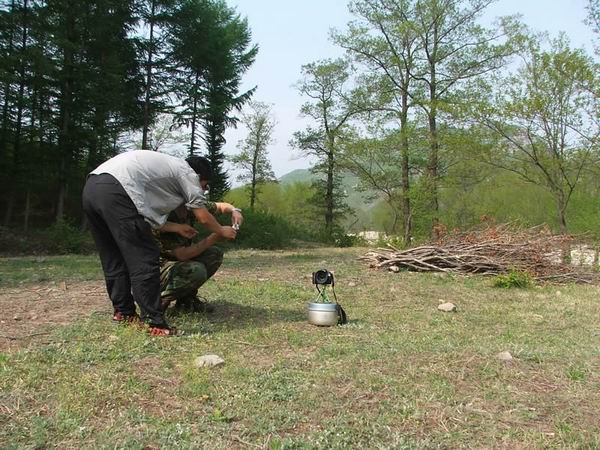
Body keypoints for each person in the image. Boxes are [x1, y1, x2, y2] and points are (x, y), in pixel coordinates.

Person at [82, 150, 239, 336]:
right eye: (204, 186)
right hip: (118, 189)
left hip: (93, 187)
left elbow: (147, 216)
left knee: (113, 257)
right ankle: (154, 323)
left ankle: (124, 313)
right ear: (198, 177)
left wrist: (177, 227)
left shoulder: (164, 177)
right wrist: (221, 231)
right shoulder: (187, 173)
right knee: (144, 257)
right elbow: (203, 217)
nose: (203, 191)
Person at [155, 157, 243, 312]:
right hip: (156, 270)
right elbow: (182, 254)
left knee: (213, 254)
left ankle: (186, 300)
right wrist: (216, 235)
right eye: (203, 185)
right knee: (196, 270)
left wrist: (235, 210)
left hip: (176, 264)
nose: (204, 190)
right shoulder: (166, 208)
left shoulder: (191, 204)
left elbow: (219, 206)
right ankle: (157, 303)